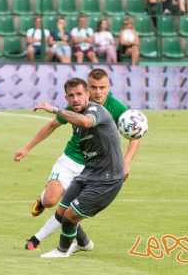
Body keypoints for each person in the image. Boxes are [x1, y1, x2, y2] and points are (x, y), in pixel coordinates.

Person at [15, 68, 140, 251]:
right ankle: (43, 199)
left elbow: (135, 135)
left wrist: (126, 162)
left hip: (97, 168)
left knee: (72, 208)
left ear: (109, 87)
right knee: (51, 201)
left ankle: (54, 241)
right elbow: (52, 125)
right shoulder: (76, 106)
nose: (98, 92)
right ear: (88, 89)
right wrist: (27, 148)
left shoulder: (116, 108)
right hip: (72, 159)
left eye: (102, 88)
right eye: (94, 87)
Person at [32, 77, 125, 258]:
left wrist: (54, 109)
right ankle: (83, 244)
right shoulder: (74, 119)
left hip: (107, 178)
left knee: (70, 216)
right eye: (71, 96)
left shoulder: (95, 110)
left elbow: (87, 122)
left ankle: (62, 250)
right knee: (62, 210)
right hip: (89, 173)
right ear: (66, 98)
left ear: (87, 95)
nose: (75, 98)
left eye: (79, 94)